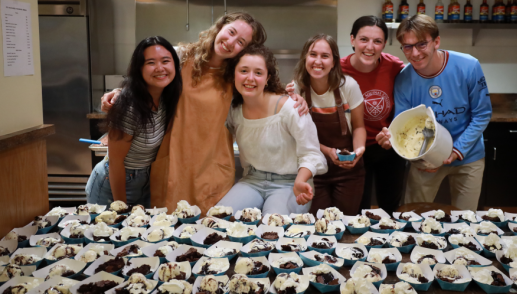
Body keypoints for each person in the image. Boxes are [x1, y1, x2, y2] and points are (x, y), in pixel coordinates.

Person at [100, 12, 309, 214]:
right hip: (174, 161)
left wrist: (294, 96)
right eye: (231, 32)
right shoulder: (181, 56)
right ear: (220, 27)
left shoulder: (236, 75)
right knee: (170, 233)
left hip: (212, 166)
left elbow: (265, 89)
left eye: (241, 42)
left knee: (210, 234)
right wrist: (120, 91)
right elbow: (149, 74)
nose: (231, 42)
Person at [376, 14, 492, 210]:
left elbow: (482, 114)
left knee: (465, 221)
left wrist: (457, 150)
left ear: (436, 41)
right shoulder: (403, 79)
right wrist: (391, 140)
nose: (415, 53)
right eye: (408, 46)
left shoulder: (468, 66)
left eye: (421, 44)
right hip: (425, 159)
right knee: (413, 216)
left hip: (468, 155)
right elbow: (403, 125)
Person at [216, 44, 327, 214]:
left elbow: (312, 153)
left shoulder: (291, 108)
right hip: (252, 180)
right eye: (244, 71)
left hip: (290, 183)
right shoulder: (233, 111)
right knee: (218, 218)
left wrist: (300, 180)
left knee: (273, 228)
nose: (250, 78)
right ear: (234, 74)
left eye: (258, 73)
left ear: (267, 78)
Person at [86, 36, 182, 207]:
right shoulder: (130, 107)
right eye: (151, 62)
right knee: (111, 232)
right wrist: (120, 207)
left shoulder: (167, 98)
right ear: (140, 69)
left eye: (166, 61)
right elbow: (116, 163)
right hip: (113, 184)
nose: (160, 68)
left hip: (145, 181)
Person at [289, 34, 366, 215]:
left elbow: (359, 126)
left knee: (347, 223)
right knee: (319, 224)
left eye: (325, 56)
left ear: (334, 62)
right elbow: (295, 136)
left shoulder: (348, 86)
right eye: (312, 54)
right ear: (305, 59)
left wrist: (358, 151)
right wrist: (327, 151)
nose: (318, 61)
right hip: (313, 170)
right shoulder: (297, 89)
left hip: (349, 171)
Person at [340, 16, 407, 214]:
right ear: (352, 40)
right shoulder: (338, 70)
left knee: (391, 208)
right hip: (355, 148)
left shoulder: (394, 66)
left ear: (384, 44)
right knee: (358, 209)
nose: (370, 47)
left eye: (377, 41)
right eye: (363, 39)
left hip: (389, 147)